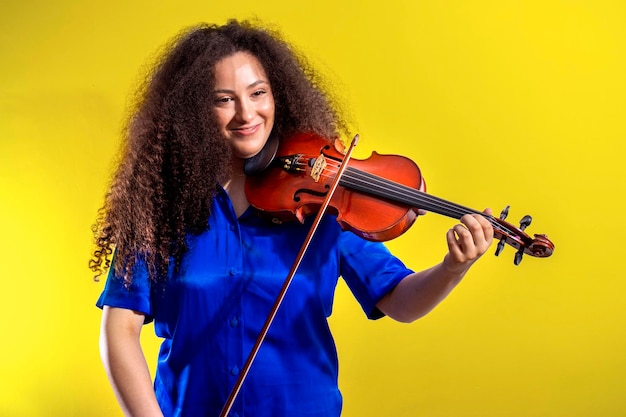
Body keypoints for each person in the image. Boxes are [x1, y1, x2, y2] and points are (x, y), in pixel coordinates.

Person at [91, 19, 494, 417]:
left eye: (258, 93)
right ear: (195, 111)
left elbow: (400, 301)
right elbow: (119, 330)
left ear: (277, 95)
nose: (246, 113)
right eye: (224, 99)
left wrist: (453, 267)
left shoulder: (325, 204)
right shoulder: (161, 211)